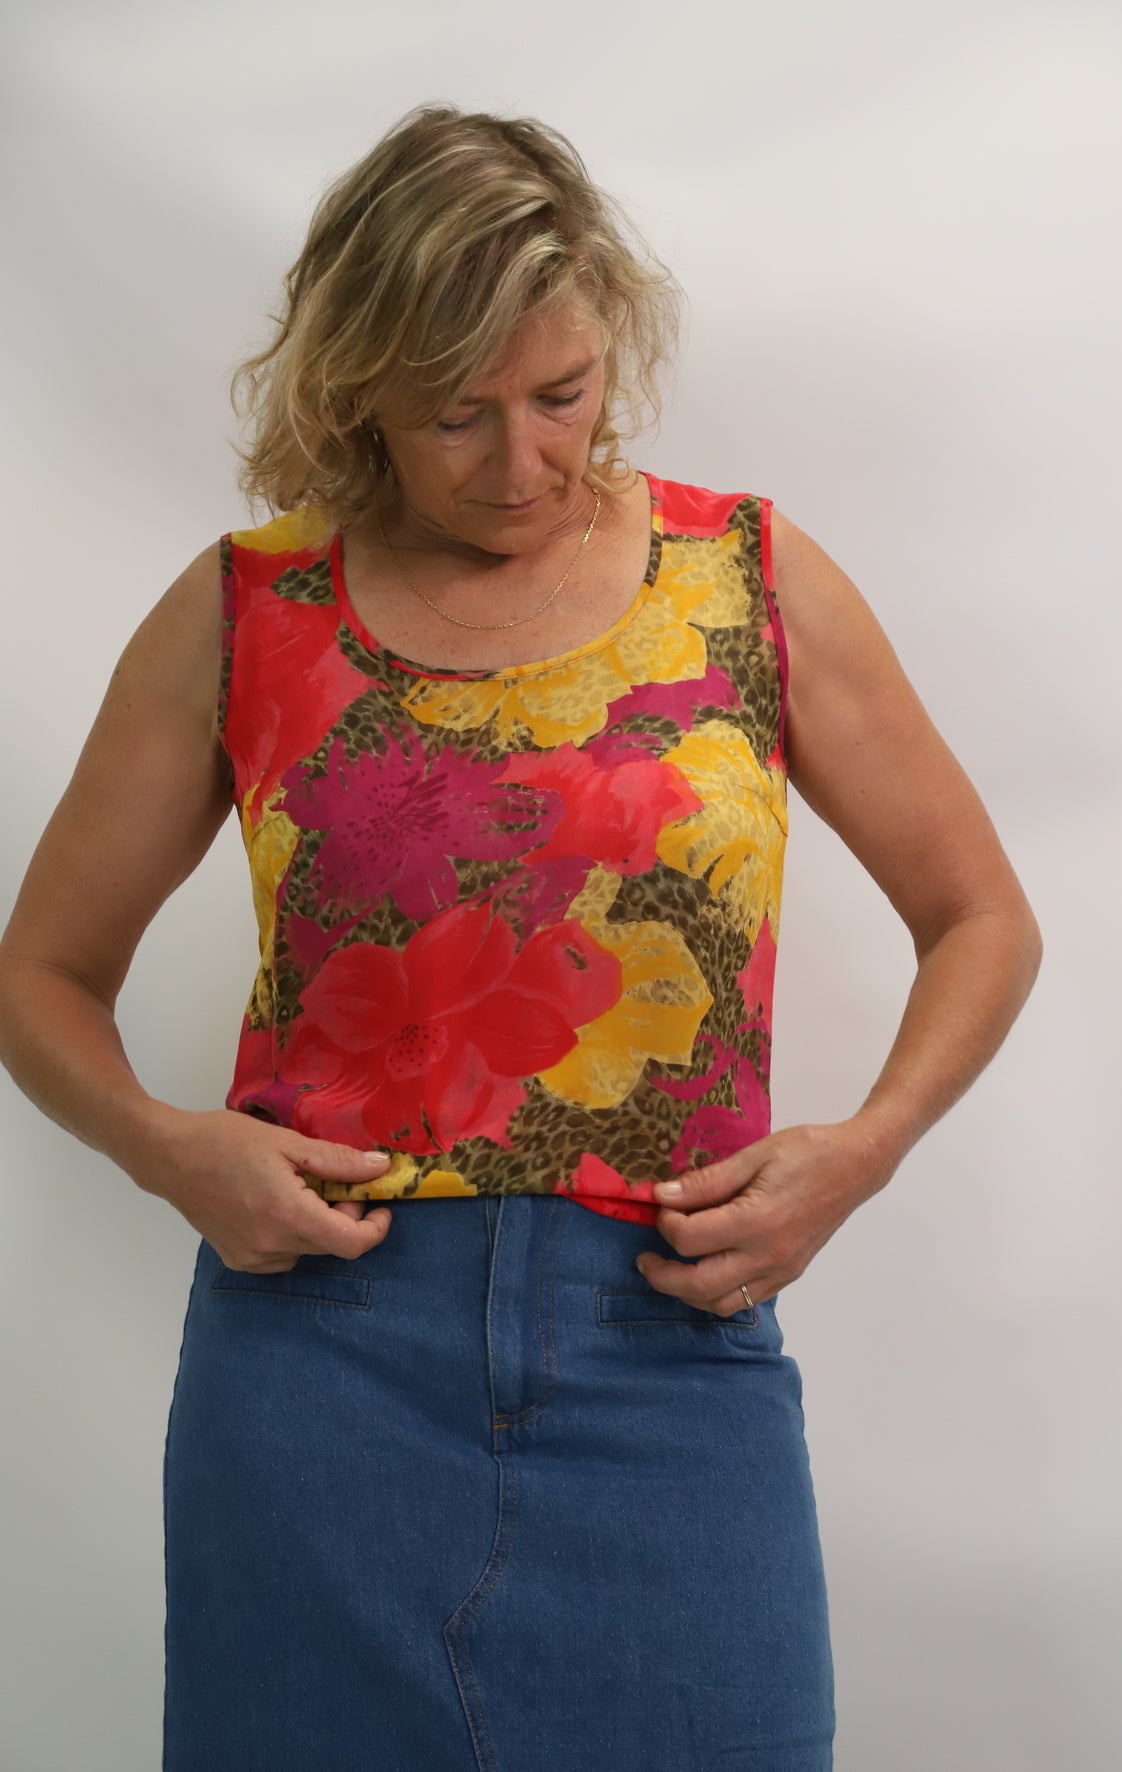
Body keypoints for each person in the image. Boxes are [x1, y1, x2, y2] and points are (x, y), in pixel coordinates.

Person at [0, 104, 1041, 1771]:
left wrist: (866, 1148)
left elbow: (979, 914)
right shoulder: (247, 609)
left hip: (668, 1343)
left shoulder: (746, 579)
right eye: (452, 414)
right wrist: (163, 1149)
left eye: (559, 394)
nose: (520, 462)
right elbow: (40, 974)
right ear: (356, 390)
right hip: (321, 1360)